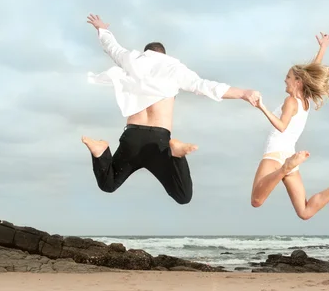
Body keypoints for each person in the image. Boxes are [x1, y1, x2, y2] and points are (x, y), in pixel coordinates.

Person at [82, 14, 261, 205]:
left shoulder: (131, 59)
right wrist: (242, 93)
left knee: (108, 184)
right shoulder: (174, 68)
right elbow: (204, 86)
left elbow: (112, 47)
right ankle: (177, 155)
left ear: (145, 52)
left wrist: (101, 28)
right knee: (183, 196)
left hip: (132, 138)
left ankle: (101, 152)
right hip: (158, 142)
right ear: (164, 54)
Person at [250, 32, 329, 220]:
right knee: (305, 211)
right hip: (290, 155)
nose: (285, 80)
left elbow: (282, 126)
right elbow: (312, 71)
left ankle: (284, 169)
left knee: (256, 200)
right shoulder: (305, 101)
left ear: (297, 82)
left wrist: (262, 106)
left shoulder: (291, 101)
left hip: (277, 155)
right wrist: (323, 48)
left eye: (288, 77)